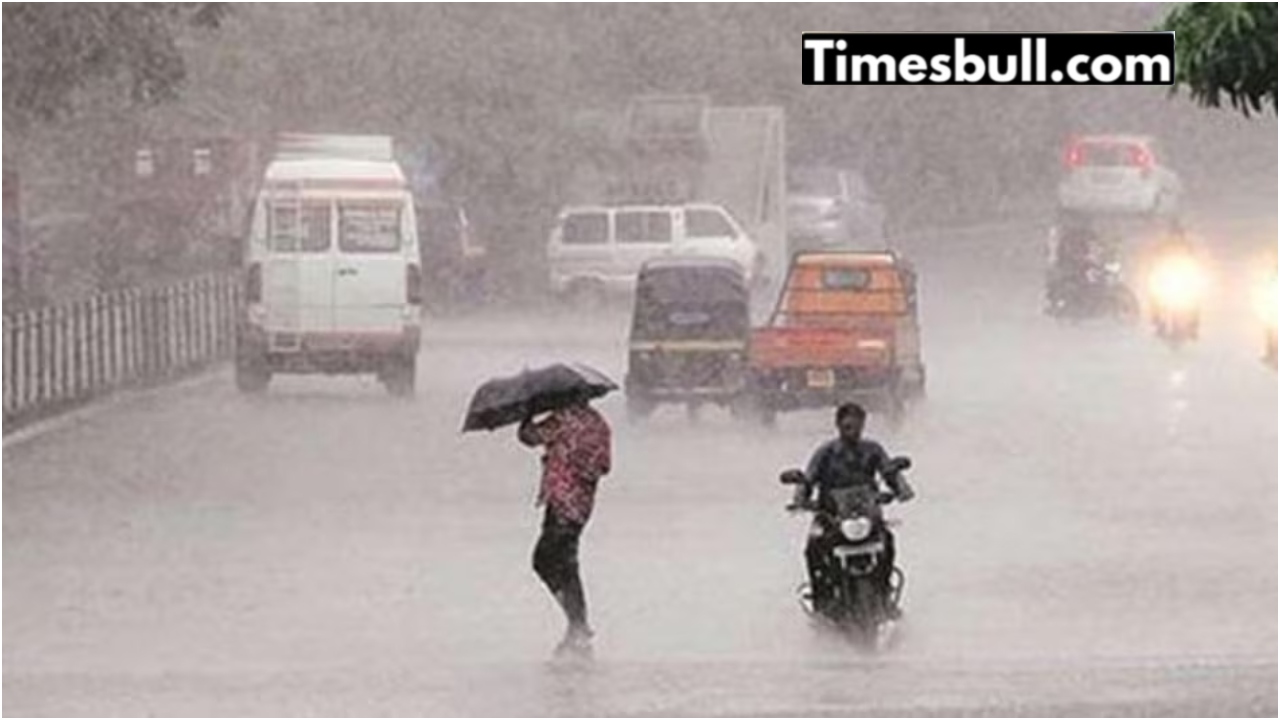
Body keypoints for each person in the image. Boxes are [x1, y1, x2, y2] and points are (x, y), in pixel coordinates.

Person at [787, 402, 914, 617]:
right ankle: (822, 600)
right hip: (831, 516)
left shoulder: (873, 450)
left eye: (857, 425)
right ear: (838, 425)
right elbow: (808, 478)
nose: (852, 430)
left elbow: (888, 471)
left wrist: (901, 489)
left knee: (887, 540)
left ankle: (884, 595)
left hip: (866, 514)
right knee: (813, 548)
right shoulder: (825, 453)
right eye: (847, 425)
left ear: (863, 425)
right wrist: (801, 498)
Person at [517, 394, 612, 656]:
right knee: (566, 561)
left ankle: (577, 621)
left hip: (561, 500)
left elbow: (528, 437)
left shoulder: (562, 420)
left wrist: (528, 413)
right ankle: (577, 624)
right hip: (582, 504)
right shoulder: (598, 423)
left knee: (544, 560)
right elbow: (604, 465)